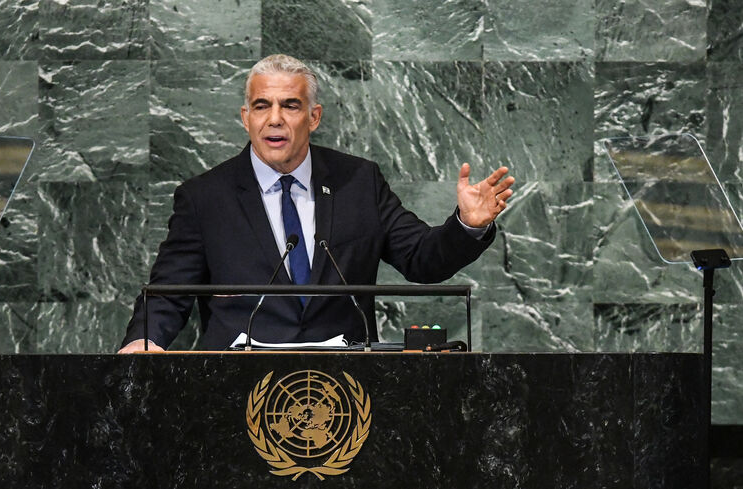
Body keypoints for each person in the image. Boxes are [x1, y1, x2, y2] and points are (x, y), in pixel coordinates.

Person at [119, 54, 514, 353]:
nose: (275, 119)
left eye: (290, 105)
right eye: (262, 106)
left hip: (348, 391)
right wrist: (143, 340)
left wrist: (467, 224)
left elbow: (422, 259)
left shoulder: (358, 182)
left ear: (314, 117)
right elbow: (168, 293)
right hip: (233, 391)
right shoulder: (205, 196)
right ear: (245, 118)